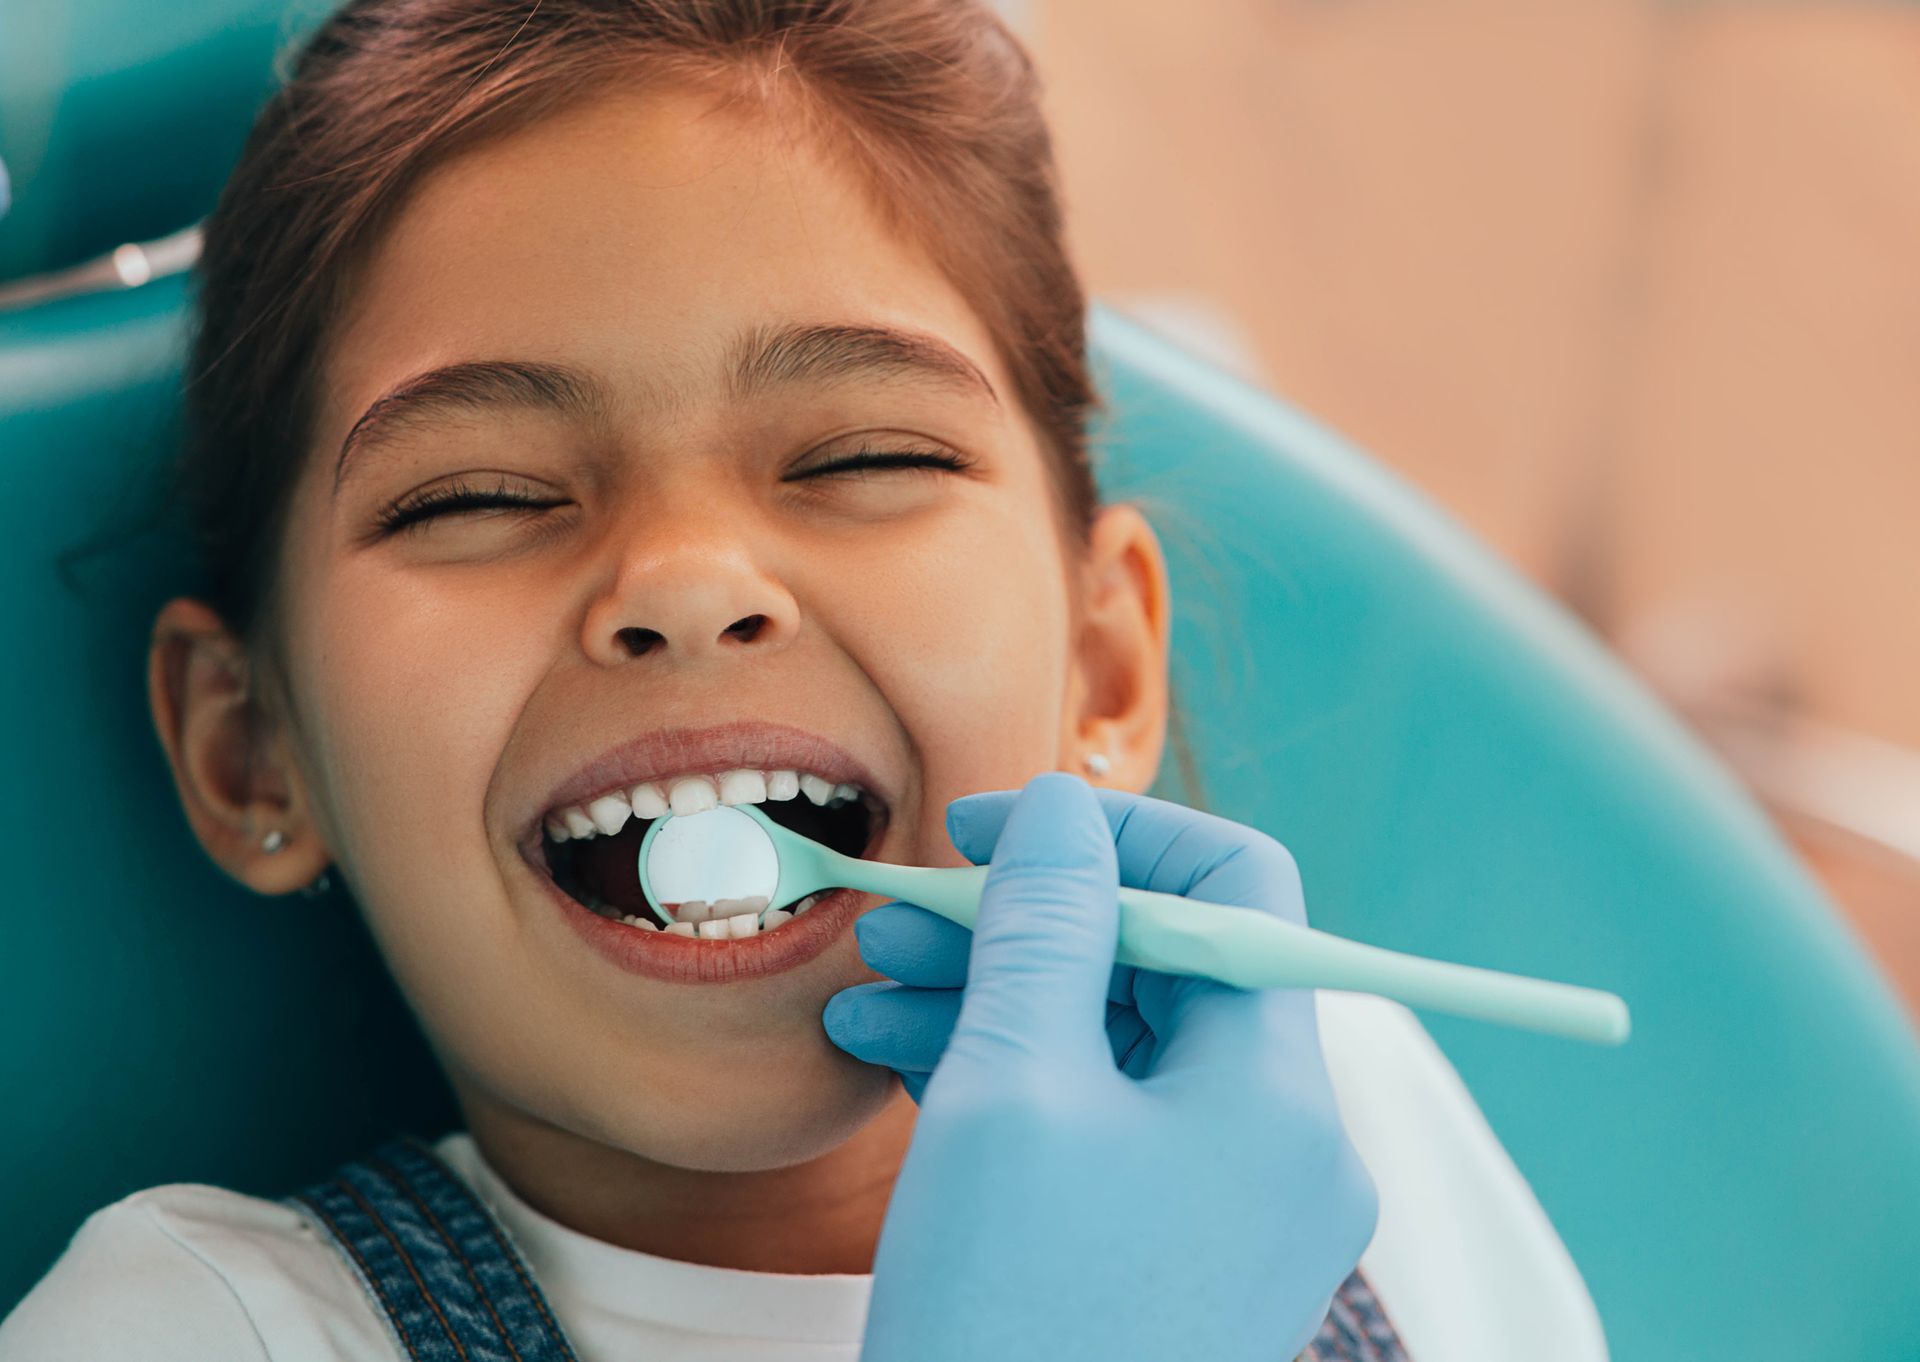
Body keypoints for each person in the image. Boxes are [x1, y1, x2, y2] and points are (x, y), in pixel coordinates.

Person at [0, 2, 1607, 1358]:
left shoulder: (1337, 1126)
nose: (687, 582)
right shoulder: (200, 1329)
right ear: (249, 752)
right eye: (476, 494)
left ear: (1104, 659)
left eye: (863, 453)